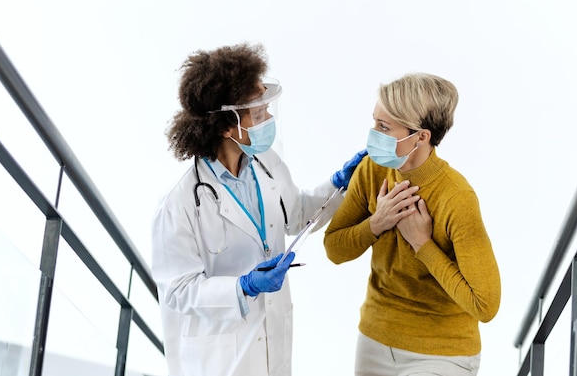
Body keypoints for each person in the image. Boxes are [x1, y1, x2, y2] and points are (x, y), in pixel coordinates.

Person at [151, 43, 366, 376]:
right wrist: (244, 286)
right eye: (259, 111)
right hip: (220, 358)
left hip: (272, 341)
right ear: (226, 125)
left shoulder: (266, 164)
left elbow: (296, 215)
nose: (268, 118)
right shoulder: (179, 205)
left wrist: (338, 183)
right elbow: (178, 291)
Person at [323, 73, 501, 376]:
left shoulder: (456, 197)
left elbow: (485, 305)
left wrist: (423, 244)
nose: (372, 134)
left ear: (421, 136)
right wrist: (377, 223)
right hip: (375, 341)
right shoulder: (372, 170)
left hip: (441, 354)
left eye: (383, 127)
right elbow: (334, 248)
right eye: (374, 122)